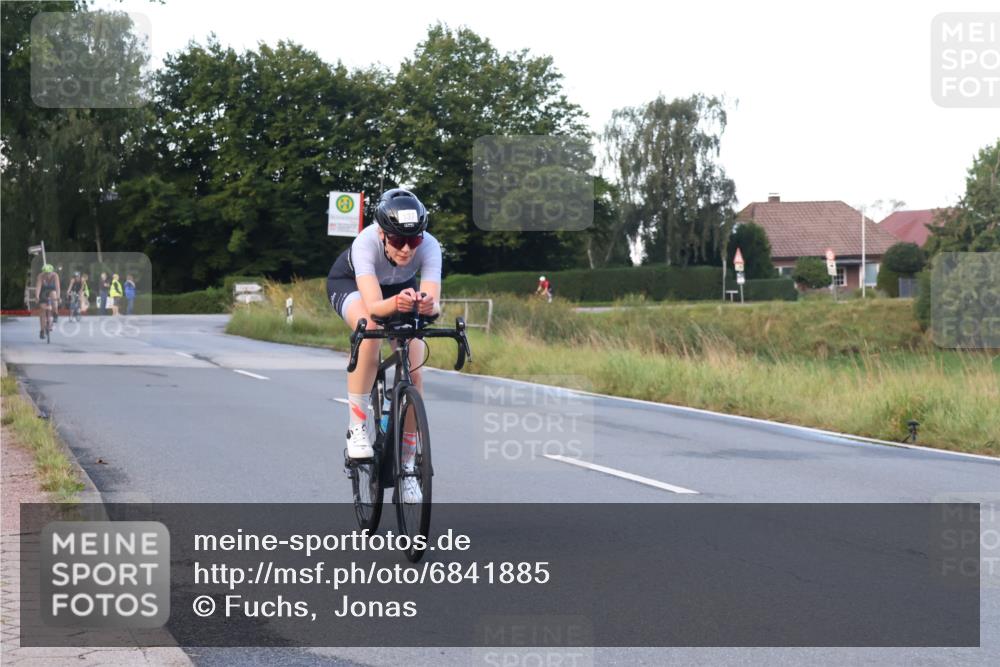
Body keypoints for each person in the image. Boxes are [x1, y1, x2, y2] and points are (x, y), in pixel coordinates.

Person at [327, 188, 441, 503]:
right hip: (352, 286)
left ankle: (406, 467)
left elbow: (434, 305)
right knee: (371, 328)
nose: (406, 249)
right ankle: (357, 428)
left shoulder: (430, 246)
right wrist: (398, 304)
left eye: (413, 240)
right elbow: (376, 306)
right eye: (397, 241)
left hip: (401, 289)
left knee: (415, 367)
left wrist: (426, 305)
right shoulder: (365, 243)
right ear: (382, 234)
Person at [35, 264, 60, 339]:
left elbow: (58, 287)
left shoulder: (55, 276)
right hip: (43, 292)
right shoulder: (40, 276)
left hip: (52, 290)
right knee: (42, 312)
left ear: (52, 272)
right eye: (46, 273)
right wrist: (37, 296)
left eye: (49, 273)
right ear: (43, 272)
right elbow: (38, 287)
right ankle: (42, 331)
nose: (47, 275)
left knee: (54, 294)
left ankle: (55, 313)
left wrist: (58, 297)